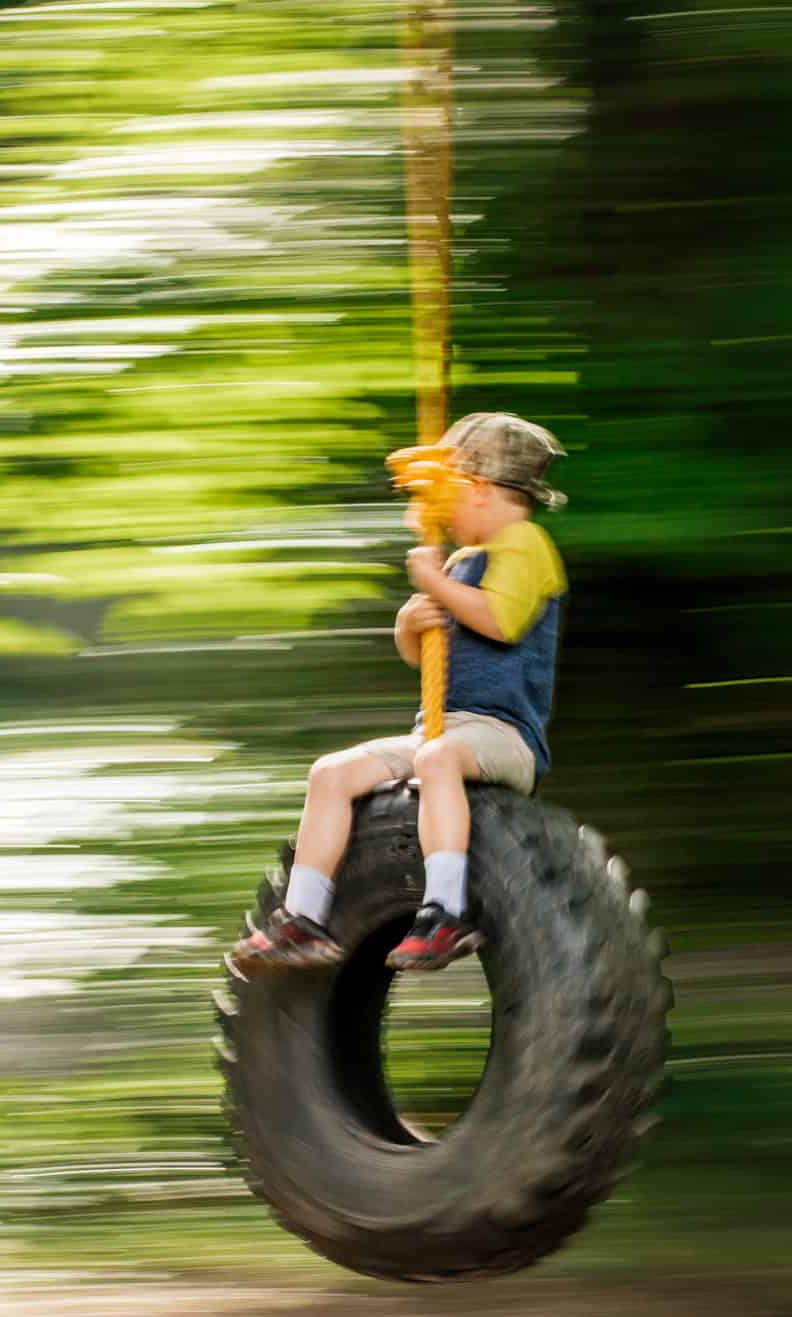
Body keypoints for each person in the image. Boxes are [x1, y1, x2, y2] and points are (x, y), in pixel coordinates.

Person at [229, 412, 568, 975]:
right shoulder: (462, 561)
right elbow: (429, 659)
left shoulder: (524, 544)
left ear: (481, 491)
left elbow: (503, 621)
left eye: (444, 499)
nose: (437, 516)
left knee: (436, 759)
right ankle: (303, 920)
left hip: (504, 736)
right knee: (331, 774)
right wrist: (411, 624)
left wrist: (436, 585)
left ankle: (445, 913)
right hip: (441, 727)